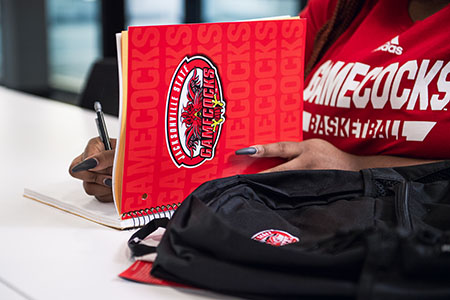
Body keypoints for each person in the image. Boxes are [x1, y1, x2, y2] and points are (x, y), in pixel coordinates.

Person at [70, 0, 450, 202]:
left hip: (396, 246)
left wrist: (355, 167)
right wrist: (146, 164)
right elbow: (245, 112)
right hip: (288, 216)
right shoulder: (340, 8)